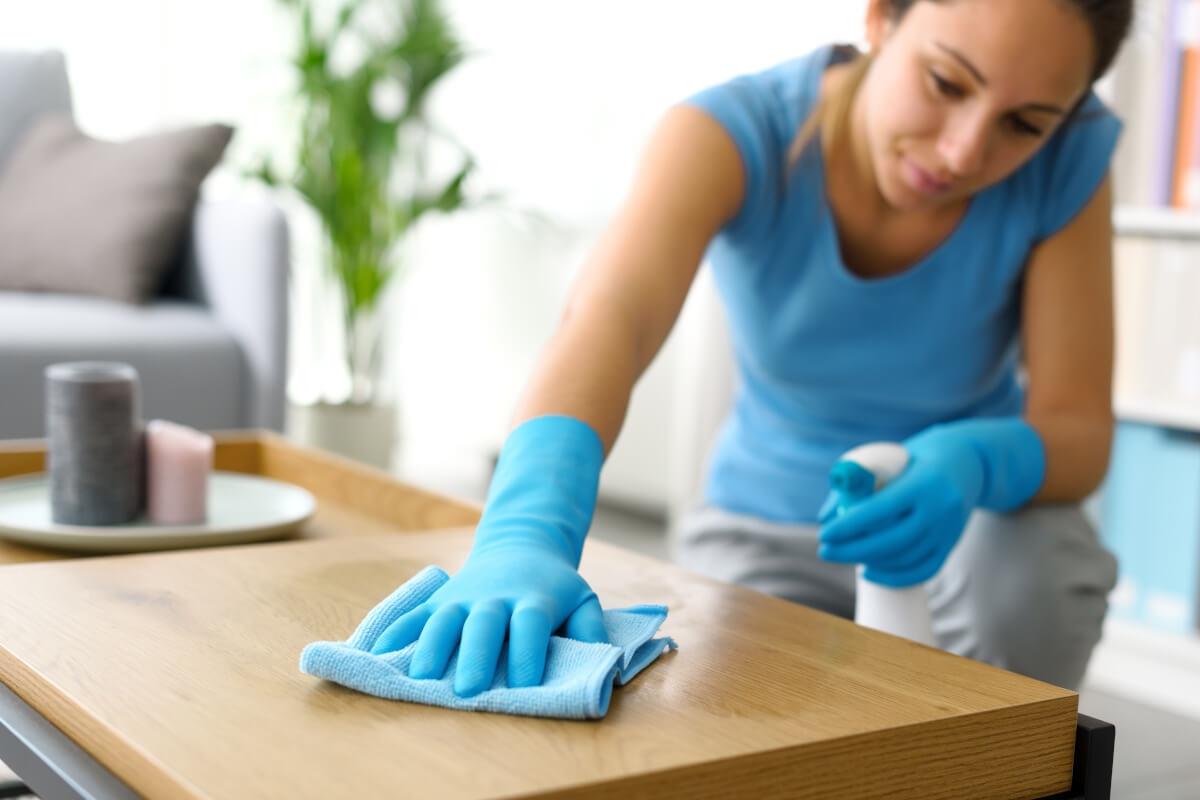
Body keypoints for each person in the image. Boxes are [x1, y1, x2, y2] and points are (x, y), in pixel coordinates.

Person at [371, 0, 1133, 695]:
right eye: (944, 82)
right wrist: (524, 528)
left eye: (1025, 124)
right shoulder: (731, 131)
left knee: (1037, 581)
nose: (965, 152)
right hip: (761, 529)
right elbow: (610, 319)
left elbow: (1079, 430)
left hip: (974, 530)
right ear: (879, 20)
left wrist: (976, 461)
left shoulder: (1072, 160)